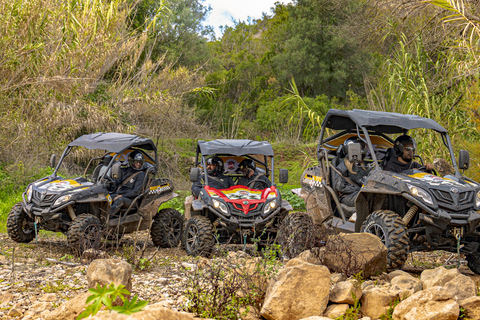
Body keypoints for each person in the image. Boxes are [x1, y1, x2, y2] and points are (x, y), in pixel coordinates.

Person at [332, 137, 370, 211]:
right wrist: (359, 189)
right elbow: (340, 187)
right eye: (358, 147)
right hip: (347, 196)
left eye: (362, 147)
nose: (360, 150)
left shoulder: (362, 165)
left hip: (359, 193)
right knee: (369, 198)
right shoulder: (343, 166)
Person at [109, 151, 146, 217]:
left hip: (132, 200)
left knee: (119, 200)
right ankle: (100, 215)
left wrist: (122, 196)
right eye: (136, 162)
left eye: (140, 162)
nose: (138, 164)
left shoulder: (141, 175)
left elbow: (136, 192)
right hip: (119, 194)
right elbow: (116, 182)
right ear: (131, 161)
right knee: (106, 197)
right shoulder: (125, 170)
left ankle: (107, 218)